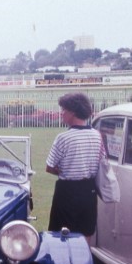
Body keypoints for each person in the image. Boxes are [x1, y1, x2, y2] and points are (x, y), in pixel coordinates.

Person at [46, 93, 103, 239]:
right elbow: (101, 162)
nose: (61, 113)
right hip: (89, 191)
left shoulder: (63, 138)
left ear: (72, 112)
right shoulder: (97, 135)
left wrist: (66, 170)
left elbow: (50, 167)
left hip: (67, 192)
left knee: (61, 235)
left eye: (63, 110)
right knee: (86, 233)